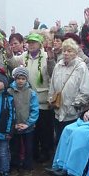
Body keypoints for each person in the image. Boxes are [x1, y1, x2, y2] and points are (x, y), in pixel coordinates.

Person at [23, 32, 55, 162]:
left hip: (43, 99)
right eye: (29, 42)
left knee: (45, 129)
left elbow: (52, 73)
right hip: (29, 99)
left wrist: (51, 59)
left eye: (34, 42)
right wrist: (8, 53)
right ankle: (34, 153)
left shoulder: (46, 56)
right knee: (33, 129)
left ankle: (46, 152)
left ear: (40, 44)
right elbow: (13, 63)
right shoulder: (24, 57)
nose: (31, 45)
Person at [9, 67, 39, 176]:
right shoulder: (10, 92)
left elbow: (34, 109)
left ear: (26, 79)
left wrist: (29, 123)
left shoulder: (31, 93)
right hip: (14, 126)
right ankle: (14, 168)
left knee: (28, 148)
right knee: (14, 148)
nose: (20, 81)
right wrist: (13, 124)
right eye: (18, 78)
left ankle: (27, 168)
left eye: (23, 78)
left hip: (28, 127)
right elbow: (8, 109)